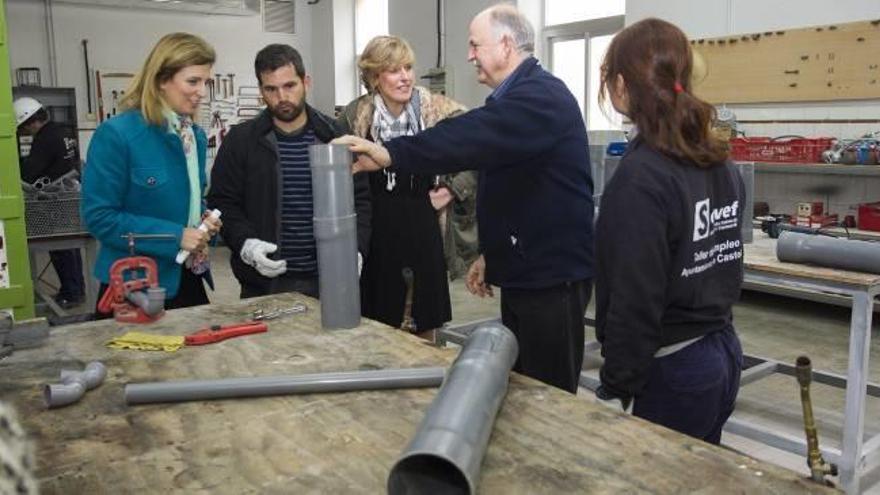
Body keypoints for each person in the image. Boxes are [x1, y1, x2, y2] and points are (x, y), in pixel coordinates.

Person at [334, 4, 594, 393]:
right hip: (530, 273)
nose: (469, 54)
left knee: (547, 394)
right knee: (524, 383)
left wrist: (389, 154)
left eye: (475, 45)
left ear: (505, 45)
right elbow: (513, 190)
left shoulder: (539, 97)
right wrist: (492, 253)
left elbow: (468, 137)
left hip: (551, 281)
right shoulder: (514, 100)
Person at [592, 18, 744, 444]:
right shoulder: (719, 162)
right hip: (722, 354)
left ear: (621, 85)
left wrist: (616, 385)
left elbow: (634, 297)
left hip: (674, 368)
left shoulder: (642, 177)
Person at [207, 44, 371, 299]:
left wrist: (356, 249)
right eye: (271, 89)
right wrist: (245, 243)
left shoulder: (335, 136)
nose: (281, 97)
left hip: (328, 277)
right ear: (261, 91)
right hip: (263, 280)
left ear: (306, 82)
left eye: (289, 86)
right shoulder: (241, 141)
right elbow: (222, 202)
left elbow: (360, 201)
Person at [336, 35, 471, 339]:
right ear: (374, 77)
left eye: (408, 67)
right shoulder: (355, 116)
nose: (405, 77)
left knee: (426, 321)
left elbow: (477, 150)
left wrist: (452, 188)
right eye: (394, 69)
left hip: (423, 225)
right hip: (376, 231)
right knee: (377, 324)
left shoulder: (438, 110)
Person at [82, 32, 221, 311]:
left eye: (206, 82)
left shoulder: (193, 136)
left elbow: (191, 198)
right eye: (193, 81)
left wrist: (203, 221)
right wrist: (175, 236)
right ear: (160, 80)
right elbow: (100, 218)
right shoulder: (117, 135)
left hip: (188, 278)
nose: (202, 92)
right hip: (133, 285)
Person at [14, 96, 85, 308]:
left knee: (61, 250)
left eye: (24, 128)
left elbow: (29, 173)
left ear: (30, 121)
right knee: (70, 247)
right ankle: (75, 289)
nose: (25, 132)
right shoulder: (62, 131)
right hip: (68, 198)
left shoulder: (44, 138)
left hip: (55, 201)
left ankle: (71, 294)